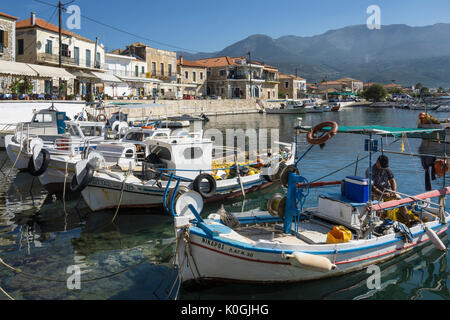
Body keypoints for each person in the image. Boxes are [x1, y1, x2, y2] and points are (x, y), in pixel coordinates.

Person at [366, 155, 411, 226]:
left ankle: (409, 221)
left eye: (384, 167)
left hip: (388, 191)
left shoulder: (387, 168)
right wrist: (382, 194)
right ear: (377, 162)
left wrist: (394, 191)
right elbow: (372, 187)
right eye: (381, 167)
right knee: (379, 207)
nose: (382, 169)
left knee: (400, 200)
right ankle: (381, 224)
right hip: (377, 193)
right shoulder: (370, 171)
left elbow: (392, 180)